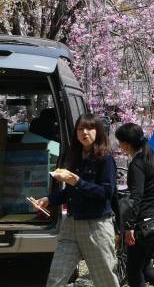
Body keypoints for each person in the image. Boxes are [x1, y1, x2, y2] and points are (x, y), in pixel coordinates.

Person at [40, 113, 119, 287]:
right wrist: (48, 200)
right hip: (71, 224)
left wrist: (78, 181)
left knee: (105, 280)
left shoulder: (105, 159)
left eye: (90, 128)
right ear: (76, 133)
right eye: (81, 128)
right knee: (56, 278)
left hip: (96, 227)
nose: (85, 132)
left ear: (98, 132)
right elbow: (69, 192)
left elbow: (106, 192)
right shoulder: (75, 157)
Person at [114, 123, 154, 287]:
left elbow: (137, 197)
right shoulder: (152, 159)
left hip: (144, 226)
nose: (119, 146)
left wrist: (130, 225)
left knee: (133, 271)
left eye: (120, 142)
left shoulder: (137, 164)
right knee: (144, 267)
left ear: (126, 143)